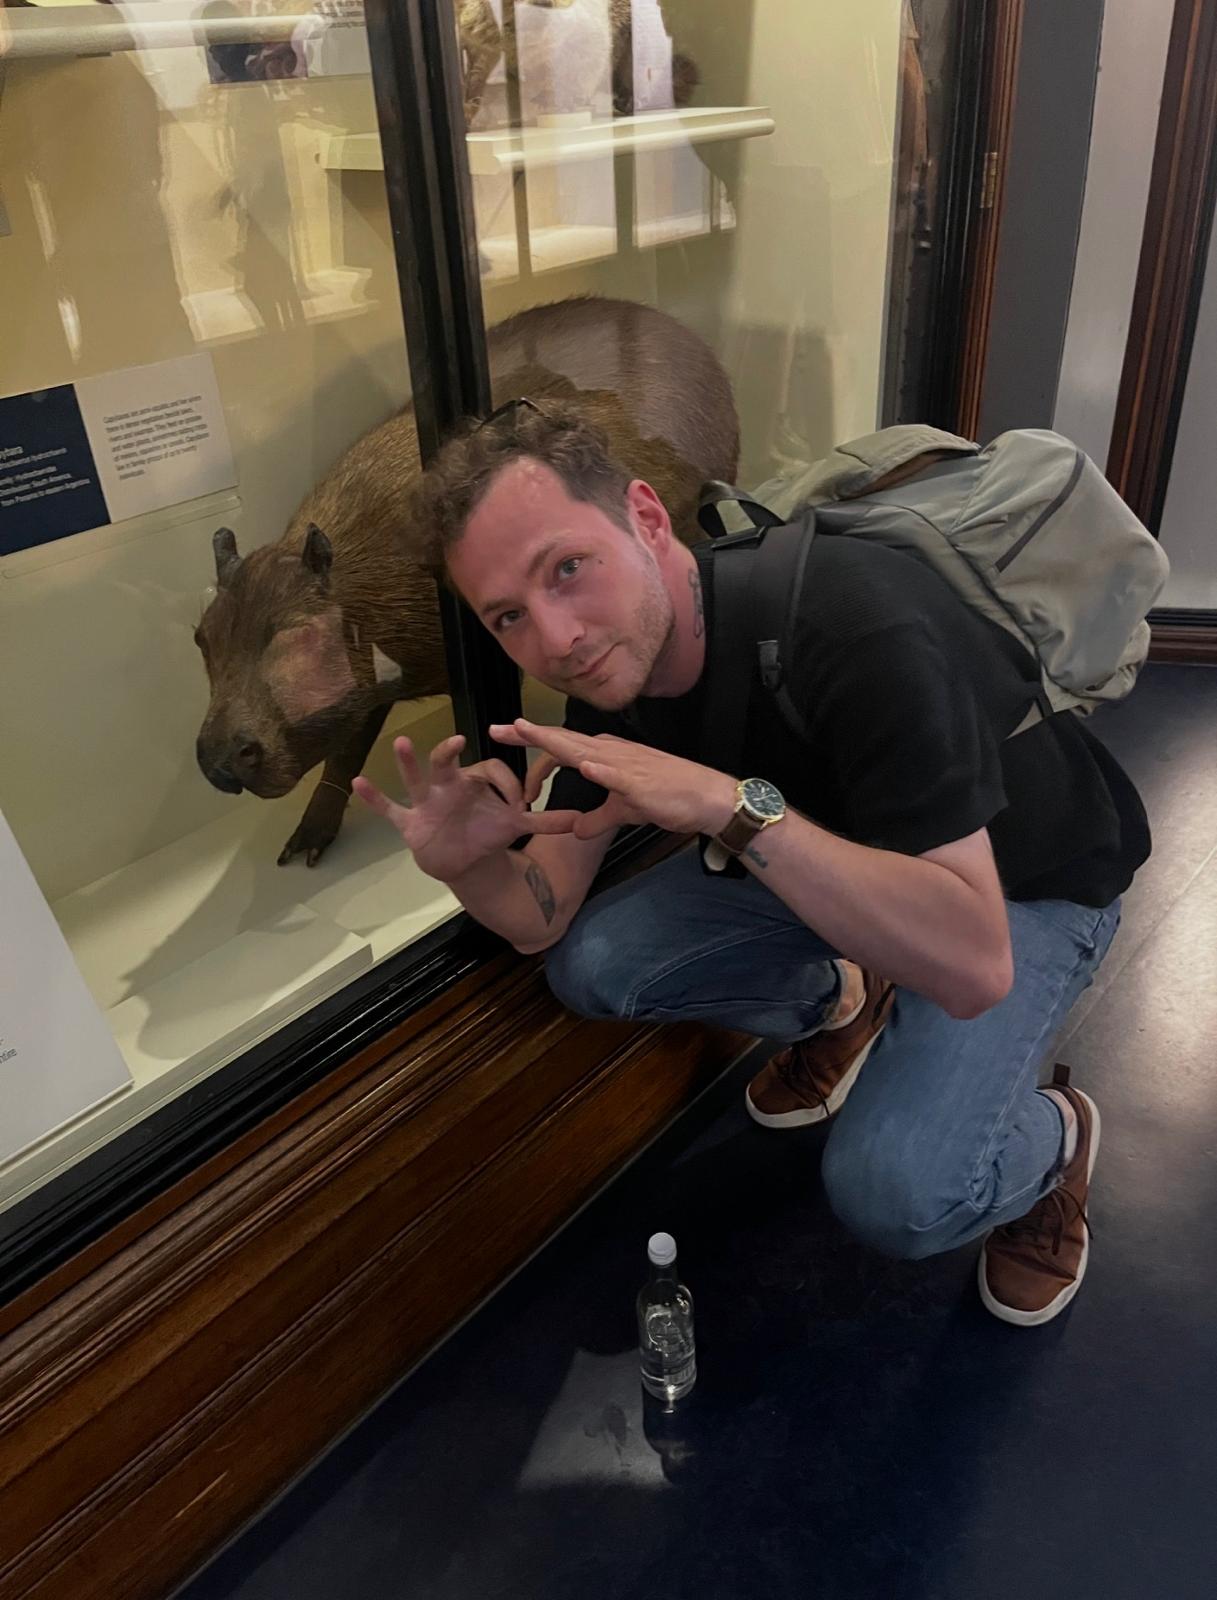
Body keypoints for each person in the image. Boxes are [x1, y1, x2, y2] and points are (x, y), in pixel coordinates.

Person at [354, 400, 1151, 1328]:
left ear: (646, 521)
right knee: (597, 966)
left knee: (897, 1194)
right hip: (838, 857)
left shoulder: (855, 625)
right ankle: (841, 1004)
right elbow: (544, 916)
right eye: (508, 617)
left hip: (1023, 885)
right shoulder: (609, 666)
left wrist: (723, 805)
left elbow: (975, 966)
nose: (555, 637)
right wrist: (464, 866)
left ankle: (1057, 1144)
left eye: (567, 569)